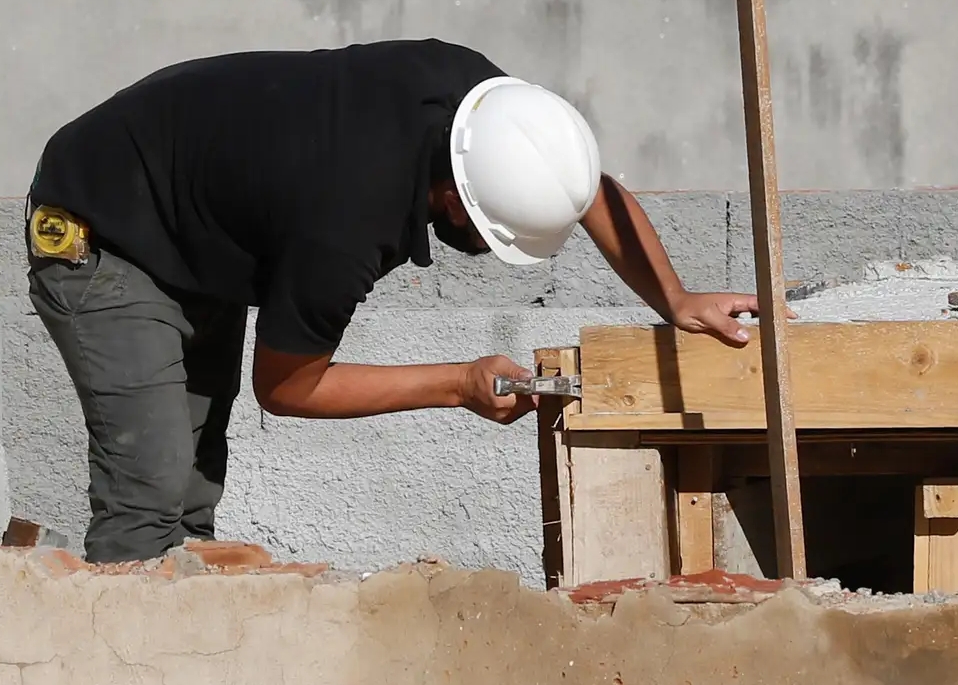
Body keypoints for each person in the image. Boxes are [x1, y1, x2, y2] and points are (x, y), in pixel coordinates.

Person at [24, 38, 783, 564]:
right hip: (103, 228)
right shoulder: (344, 225)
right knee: (152, 488)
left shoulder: (484, 104)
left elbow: (580, 186)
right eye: (492, 235)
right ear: (452, 194)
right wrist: (455, 383)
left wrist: (675, 298)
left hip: (198, 212)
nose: (489, 250)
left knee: (189, 497)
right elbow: (287, 387)